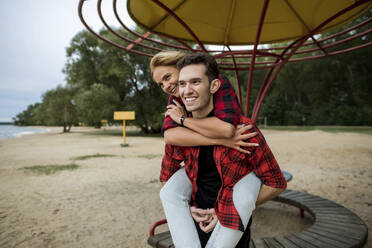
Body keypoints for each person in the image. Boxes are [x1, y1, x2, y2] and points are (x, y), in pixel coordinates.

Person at [158, 53, 287, 248]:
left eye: (196, 82)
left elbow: (276, 183)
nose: (187, 90)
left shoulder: (244, 131)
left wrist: (235, 208)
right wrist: (187, 208)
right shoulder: (180, 134)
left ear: (214, 86)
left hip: (231, 222)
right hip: (197, 220)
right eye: (182, 84)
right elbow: (166, 176)